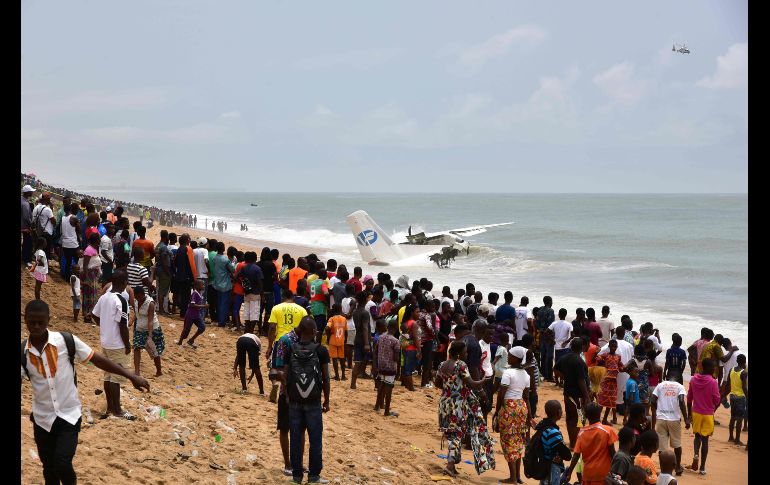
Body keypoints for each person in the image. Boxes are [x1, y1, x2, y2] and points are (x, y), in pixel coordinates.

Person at [21, 300, 150, 485]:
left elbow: (98, 360)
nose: (36, 327)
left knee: (62, 463)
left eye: (40, 322)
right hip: (42, 420)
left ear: (48, 320)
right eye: (31, 322)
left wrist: (130, 375)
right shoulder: (22, 353)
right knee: (49, 470)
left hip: (68, 417)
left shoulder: (66, 341)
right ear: (25, 320)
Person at [276, 317, 331, 484]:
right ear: (314, 332)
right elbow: (326, 378)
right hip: (313, 402)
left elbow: (285, 376)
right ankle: (314, 476)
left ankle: (297, 476)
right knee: (315, 440)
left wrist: (285, 396)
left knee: (296, 439)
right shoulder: (321, 351)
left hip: (294, 402)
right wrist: (327, 400)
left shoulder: (291, 349)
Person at [435, 340, 495, 477]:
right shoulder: (461, 365)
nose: (466, 354)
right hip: (457, 405)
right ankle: (450, 465)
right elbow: (472, 384)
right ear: (458, 353)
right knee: (456, 434)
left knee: (451, 433)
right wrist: (484, 380)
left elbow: (438, 383)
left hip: (444, 403)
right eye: (465, 351)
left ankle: (452, 464)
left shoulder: (442, 365)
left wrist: (450, 389)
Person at [90, 270, 136, 419]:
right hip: (117, 344)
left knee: (108, 376)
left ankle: (110, 408)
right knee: (116, 378)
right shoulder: (121, 300)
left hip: (106, 342)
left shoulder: (104, 298)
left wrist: (104, 326)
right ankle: (117, 410)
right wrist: (127, 344)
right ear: (124, 283)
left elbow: (94, 315)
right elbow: (123, 326)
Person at [492, 346, 534, 484]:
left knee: (508, 441)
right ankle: (517, 476)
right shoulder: (526, 375)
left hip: (509, 407)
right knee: (518, 441)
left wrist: (496, 413)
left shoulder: (508, 373)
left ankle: (513, 478)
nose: (508, 358)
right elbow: (527, 397)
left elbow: (501, 395)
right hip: (521, 407)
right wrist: (529, 415)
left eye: (510, 356)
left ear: (516, 358)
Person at [266, 289, 308, 402]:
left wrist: (270, 345)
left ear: (283, 296)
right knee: (292, 367)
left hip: (280, 340)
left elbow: (272, 327)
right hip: (296, 341)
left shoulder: (276, 308)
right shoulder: (302, 310)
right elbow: (305, 327)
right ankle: (289, 390)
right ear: (293, 298)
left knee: (275, 366)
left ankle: (275, 383)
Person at [563, 402, 618, 485]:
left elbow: (576, 455)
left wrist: (569, 473)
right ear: (600, 413)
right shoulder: (608, 431)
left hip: (588, 474)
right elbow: (612, 453)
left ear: (586, 416)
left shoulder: (581, 433)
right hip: (603, 474)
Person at [552, 338, 590, 448]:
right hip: (577, 395)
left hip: (567, 393)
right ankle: (576, 444)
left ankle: (573, 443)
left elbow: (555, 369)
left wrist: (564, 378)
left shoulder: (565, 357)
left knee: (570, 419)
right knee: (578, 420)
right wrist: (586, 396)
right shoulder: (578, 361)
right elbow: (581, 380)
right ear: (582, 347)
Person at [651, 373, 689, 475]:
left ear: (667, 378)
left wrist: (659, 409)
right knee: (677, 445)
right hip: (674, 419)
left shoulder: (660, 385)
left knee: (662, 448)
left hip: (661, 419)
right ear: (677, 379)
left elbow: (652, 400)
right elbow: (681, 401)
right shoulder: (680, 386)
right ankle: (677, 467)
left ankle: (664, 469)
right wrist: (686, 419)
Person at [534, 400, 572, 485]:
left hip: (544, 463)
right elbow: (567, 455)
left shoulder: (543, 426)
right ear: (558, 412)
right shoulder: (552, 432)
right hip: (552, 466)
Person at [131, 285, 165, 377]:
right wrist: (131, 322)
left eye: (139, 298)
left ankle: (159, 371)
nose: (138, 300)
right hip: (139, 328)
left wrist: (150, 336)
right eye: (136, 298)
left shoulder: (150, 303)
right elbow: (137, 313)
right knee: (136, 347)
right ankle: (137, 372)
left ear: (143, 294)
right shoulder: (136, 301)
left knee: (154, 351)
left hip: (152, 329)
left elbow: (150, 321)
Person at [374, 319, 401, 417]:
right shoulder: (395, 341)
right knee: (389, 388)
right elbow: (396, 358)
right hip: (390, 367)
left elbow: (376, 350)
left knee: (381, 386)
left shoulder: (381, 337)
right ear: (396, 328)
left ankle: (377, 405)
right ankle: (386, 411)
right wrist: (398, 371)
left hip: (381, 365)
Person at [233, 320, 264, 394]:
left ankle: (244, 388)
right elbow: (255, 361)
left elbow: (238, 356)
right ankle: (261, 391)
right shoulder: (257, 340)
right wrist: (252, 374)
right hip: (251, 343)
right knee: (256, 367)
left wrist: (235, 368)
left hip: (240, 341)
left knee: (241, 365)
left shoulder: (241, 337)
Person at [350, 292, 374, 390]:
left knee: (358, 361)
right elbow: (365, 328)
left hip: (357, 338)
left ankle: (353, 382)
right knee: (360, 362)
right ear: (365, 300)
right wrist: (367, 343)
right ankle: (353, 383)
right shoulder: (364, 313)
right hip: (363, 340)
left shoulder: (355, 311)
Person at [596, 339, 623, 425]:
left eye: (615, 347)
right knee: (601, 400)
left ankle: (604, 419)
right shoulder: (605, 355)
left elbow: (621, 366)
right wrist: (601, 361)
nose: (613, 348)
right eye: (612, 346)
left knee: (610, 402)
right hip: (605, 381)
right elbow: (597, 358)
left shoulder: (618, 356)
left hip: (613, 382)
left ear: (616, 347)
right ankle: (597, 419)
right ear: (609, 347)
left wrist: (623, 368)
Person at [177, 279, 208, 348]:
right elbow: (192, 305)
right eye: (202, 285)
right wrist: (203, 306)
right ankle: (180, 341)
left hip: (197, 315)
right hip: (190, 315)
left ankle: (191, 340)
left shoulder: (199, 293)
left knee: (202, 327)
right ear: (196, 286)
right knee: (186, 329)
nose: (203, 286)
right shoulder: (195, 293)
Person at [724, 354, 748, 445]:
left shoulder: (732, 370)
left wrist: (724, 395)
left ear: (737, 361)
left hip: (732, 396)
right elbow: (744, 387)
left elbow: (728, 385)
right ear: (744, 362)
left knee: (733, 417)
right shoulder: (744, 372)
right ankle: (737, 440)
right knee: (739, 419)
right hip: (740, 397)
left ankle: (731, 437)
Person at [80, 233, 103, 323]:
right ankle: (87, 316)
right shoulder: (89, 250)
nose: (100, 240)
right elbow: (85, 265)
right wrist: (86, 278)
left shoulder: (93, 249)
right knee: (89, 296)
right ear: (96, 240)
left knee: (92, 296)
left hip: (93, 276)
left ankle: (89, 315)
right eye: (99, 239)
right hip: (89, 276)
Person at [211, 241, 233, 327]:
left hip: (217, 282)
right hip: (225, 284)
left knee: (219, 303)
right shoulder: (225, 259)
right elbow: (232, 269)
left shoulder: (214, 258)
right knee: (224, 303)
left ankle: (220, 319)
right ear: (223, 248)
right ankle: (222, 321)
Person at [324, 304, 348, 380]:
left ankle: (337, 376)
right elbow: (346, 331)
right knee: (342, 358)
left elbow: (327, 328)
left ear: (333, 310)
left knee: (334, 358)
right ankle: (343, 375)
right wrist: (345, 339)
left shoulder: (331, 319)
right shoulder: (344, 319)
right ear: (341, 309)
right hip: (341, 340)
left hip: (333, 340)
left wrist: (328, 336)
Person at [548, 308, 571, 386]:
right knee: (564, 365)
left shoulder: (554, 323)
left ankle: (557, 381)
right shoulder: (568, 324)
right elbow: (573, 334)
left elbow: (546, 332)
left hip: (557, 347)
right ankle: (561, 381)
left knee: (557, 364)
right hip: (565, 348)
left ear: (559, 315)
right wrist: (566, 342)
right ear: (565, 315)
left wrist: (552, 340)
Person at [155, 230, 173, 316]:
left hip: (159, 270)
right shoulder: (164, 247)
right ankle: (161, 310)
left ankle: (160, 308)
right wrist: (168, 273)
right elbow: (164, 261)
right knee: (162, 291)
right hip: (163, 271)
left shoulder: (158, 246)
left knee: (160, 290)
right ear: (166, 237)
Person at [21, 185, 35, 265]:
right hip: (25, 226)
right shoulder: (25, 203)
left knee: (26, 242)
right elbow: (27, 217)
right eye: (31, 191)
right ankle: (26, 260)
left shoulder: (22, 200)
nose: (32, 192)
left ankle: (24, 258)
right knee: (28, 243)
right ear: (27, 193)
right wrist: (31, 225)